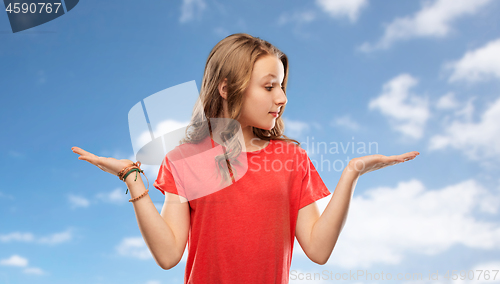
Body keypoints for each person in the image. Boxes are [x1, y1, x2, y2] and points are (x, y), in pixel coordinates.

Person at [71, 33, 419, 284]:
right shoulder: (184, 160)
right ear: (226, 88)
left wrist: (352, 173)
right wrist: (132, 177)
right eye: (269, 87)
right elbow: (168, 255)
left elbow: (318, 249)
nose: (281, 97)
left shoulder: (291, 158)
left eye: (282, 86)